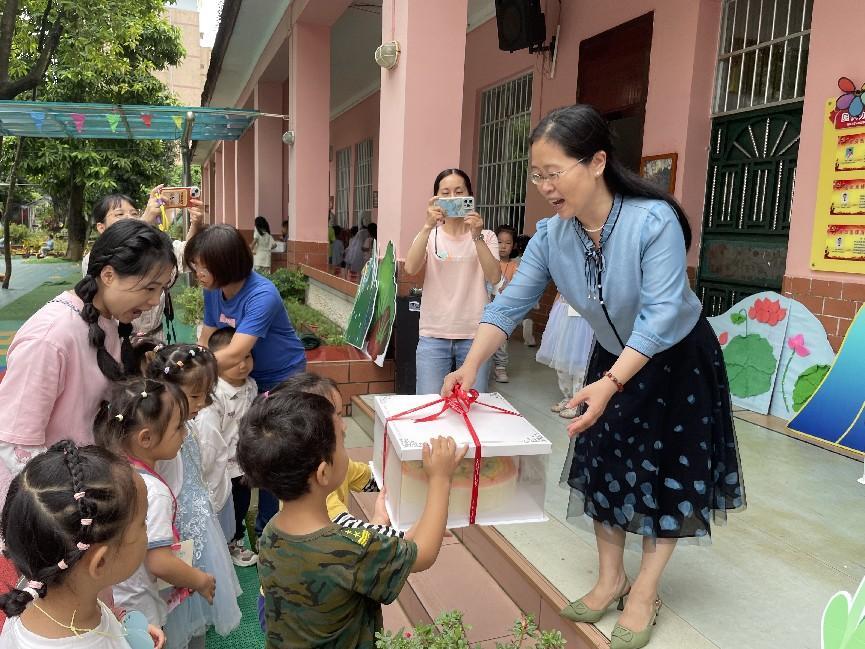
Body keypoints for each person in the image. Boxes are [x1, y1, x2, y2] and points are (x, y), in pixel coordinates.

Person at [442, 104, 745, 649]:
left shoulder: (653, 221)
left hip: (676, 360)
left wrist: (611, 384)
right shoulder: (552, 236)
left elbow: (660, 316)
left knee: (667, 473)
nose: (544, 187)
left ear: (597, 162)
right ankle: (610, 579)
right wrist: (469, 365)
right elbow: (508, 305)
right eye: (537, 175)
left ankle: (644, 591)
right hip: (611, 357)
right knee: (603, 461)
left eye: (553, 172)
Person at [237, 389, 467, 648]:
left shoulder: (272, 532)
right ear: (323, 473)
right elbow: (422, 555)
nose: (346, 438)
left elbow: (384, 549)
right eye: (342, 441)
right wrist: (440, 478)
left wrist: (418, 526)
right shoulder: (351, 548)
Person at [0, 220, 177, 505]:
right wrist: (72, 504)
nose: (155, 301)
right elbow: (14, 444)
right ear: (108, 275)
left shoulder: (106, 322)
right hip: (54, 506)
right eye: (149, 288)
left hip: (87, 489)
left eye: (161, 290)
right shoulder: (51, 337)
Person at [185, 224, 307, 539]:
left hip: (281, 377)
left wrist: (189, 374)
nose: (197, 273)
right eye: (195, 265)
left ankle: (268, 527)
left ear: (225, 264)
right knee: (247, 446)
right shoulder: (214, 290)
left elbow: (237, 351)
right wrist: (192, 361)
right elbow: (208, 337)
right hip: (244, 376)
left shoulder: (262, 294)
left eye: (202, 266)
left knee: (273, 450)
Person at [0, 441, 164, 649]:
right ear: (100, 562)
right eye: (143, 522)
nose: (146, 528)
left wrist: (123, 630)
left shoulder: (37, 599)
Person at [94, 378, 215, 639]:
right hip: (141, 608)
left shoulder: (110, 471)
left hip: (111, 598)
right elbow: (159, 562)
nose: (185, 433)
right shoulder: (153, 492)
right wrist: (200, 580)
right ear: (146, 438)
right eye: (178, 427)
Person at [145, 345, 242, 648]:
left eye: (206, 394)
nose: (203, 403)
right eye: (195, 396)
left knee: (193, 611)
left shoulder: (186, 427)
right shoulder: (163, 440)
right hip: (173, 535)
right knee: (174, 611)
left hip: (197, 531)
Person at [403, 168, 500, 395]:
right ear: (436, 199)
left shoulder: (486, 236)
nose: (453, 198)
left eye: (459, 192)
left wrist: (476, 236)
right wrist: (427, 226)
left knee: (473, 404)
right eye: (445, 193)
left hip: (476, 336)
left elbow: (494, 277)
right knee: (429, 402)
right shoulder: (429, 235)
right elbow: (410, 269)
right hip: (433, 334)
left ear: (469, 196)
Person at [83, 191, 204, 342]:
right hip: (118, 338)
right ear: (101, 227)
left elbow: (187, 256)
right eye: (120, 214)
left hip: (154, 338)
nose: (129, 218)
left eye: (134, 213)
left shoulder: (155, 251)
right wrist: (142, 223)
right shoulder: (96, 258)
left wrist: (195, 224)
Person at [195, 327, 259, 567]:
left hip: (243, 464)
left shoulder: (251, 385)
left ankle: (234, 541)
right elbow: (209, 437)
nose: (242, 365)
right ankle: (219, 544)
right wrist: (208, 468)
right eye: (234, 360)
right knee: (221, 505)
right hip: (220, 466)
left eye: (247, 357)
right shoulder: (214, 395)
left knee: (241, 505)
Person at [535, 293, 594, 419]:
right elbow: (559, 290)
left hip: (586, 317)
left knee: (581, 362)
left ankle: (578, 402)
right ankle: (568, 397)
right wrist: (553, 313)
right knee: (561, 359)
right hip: (564, 313)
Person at [491, 224, 519, 383]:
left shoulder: (515, 266)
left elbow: (517, 285)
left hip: (503, 307)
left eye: (508, 243)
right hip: (486, 303)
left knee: (501, 338)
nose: (503, 246)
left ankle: (500, 367)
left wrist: (509, 287)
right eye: (499, 242)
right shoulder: (489, 261)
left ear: (513, 245)